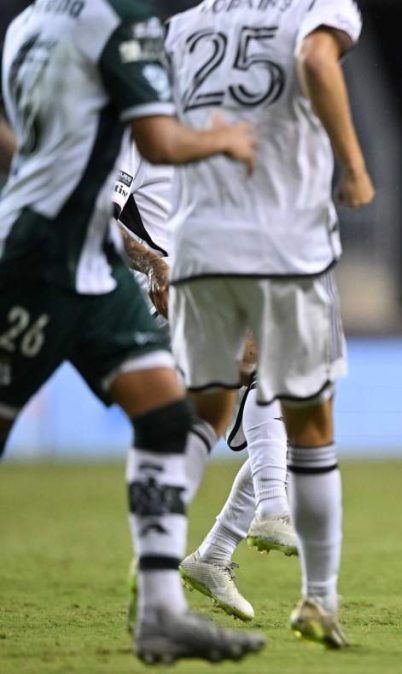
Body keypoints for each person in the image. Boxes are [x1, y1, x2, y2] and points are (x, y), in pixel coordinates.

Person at [0, 0, 263, 664]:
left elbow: (31, 145)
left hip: (96, 259)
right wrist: (227, 140)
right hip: (42, 261)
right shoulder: (122, 20)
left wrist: (146, 258)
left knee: (167, 421)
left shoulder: (29, 23)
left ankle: (160, 614)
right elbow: (159, 143)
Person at [163, 0, 374, 649]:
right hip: (282, 244)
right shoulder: (315, 7)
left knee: (203, 414)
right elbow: (315, 56)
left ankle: (160, 590)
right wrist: (353, 164)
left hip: (196, 243)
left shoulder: (182, 27)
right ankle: (318, 598)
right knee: (311, 417)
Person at [112, 141, 297, 624]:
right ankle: (273, 510)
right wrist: (154, 264)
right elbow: (100, 222)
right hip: (155, 287)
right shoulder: (133, 128)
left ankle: (212, 555)